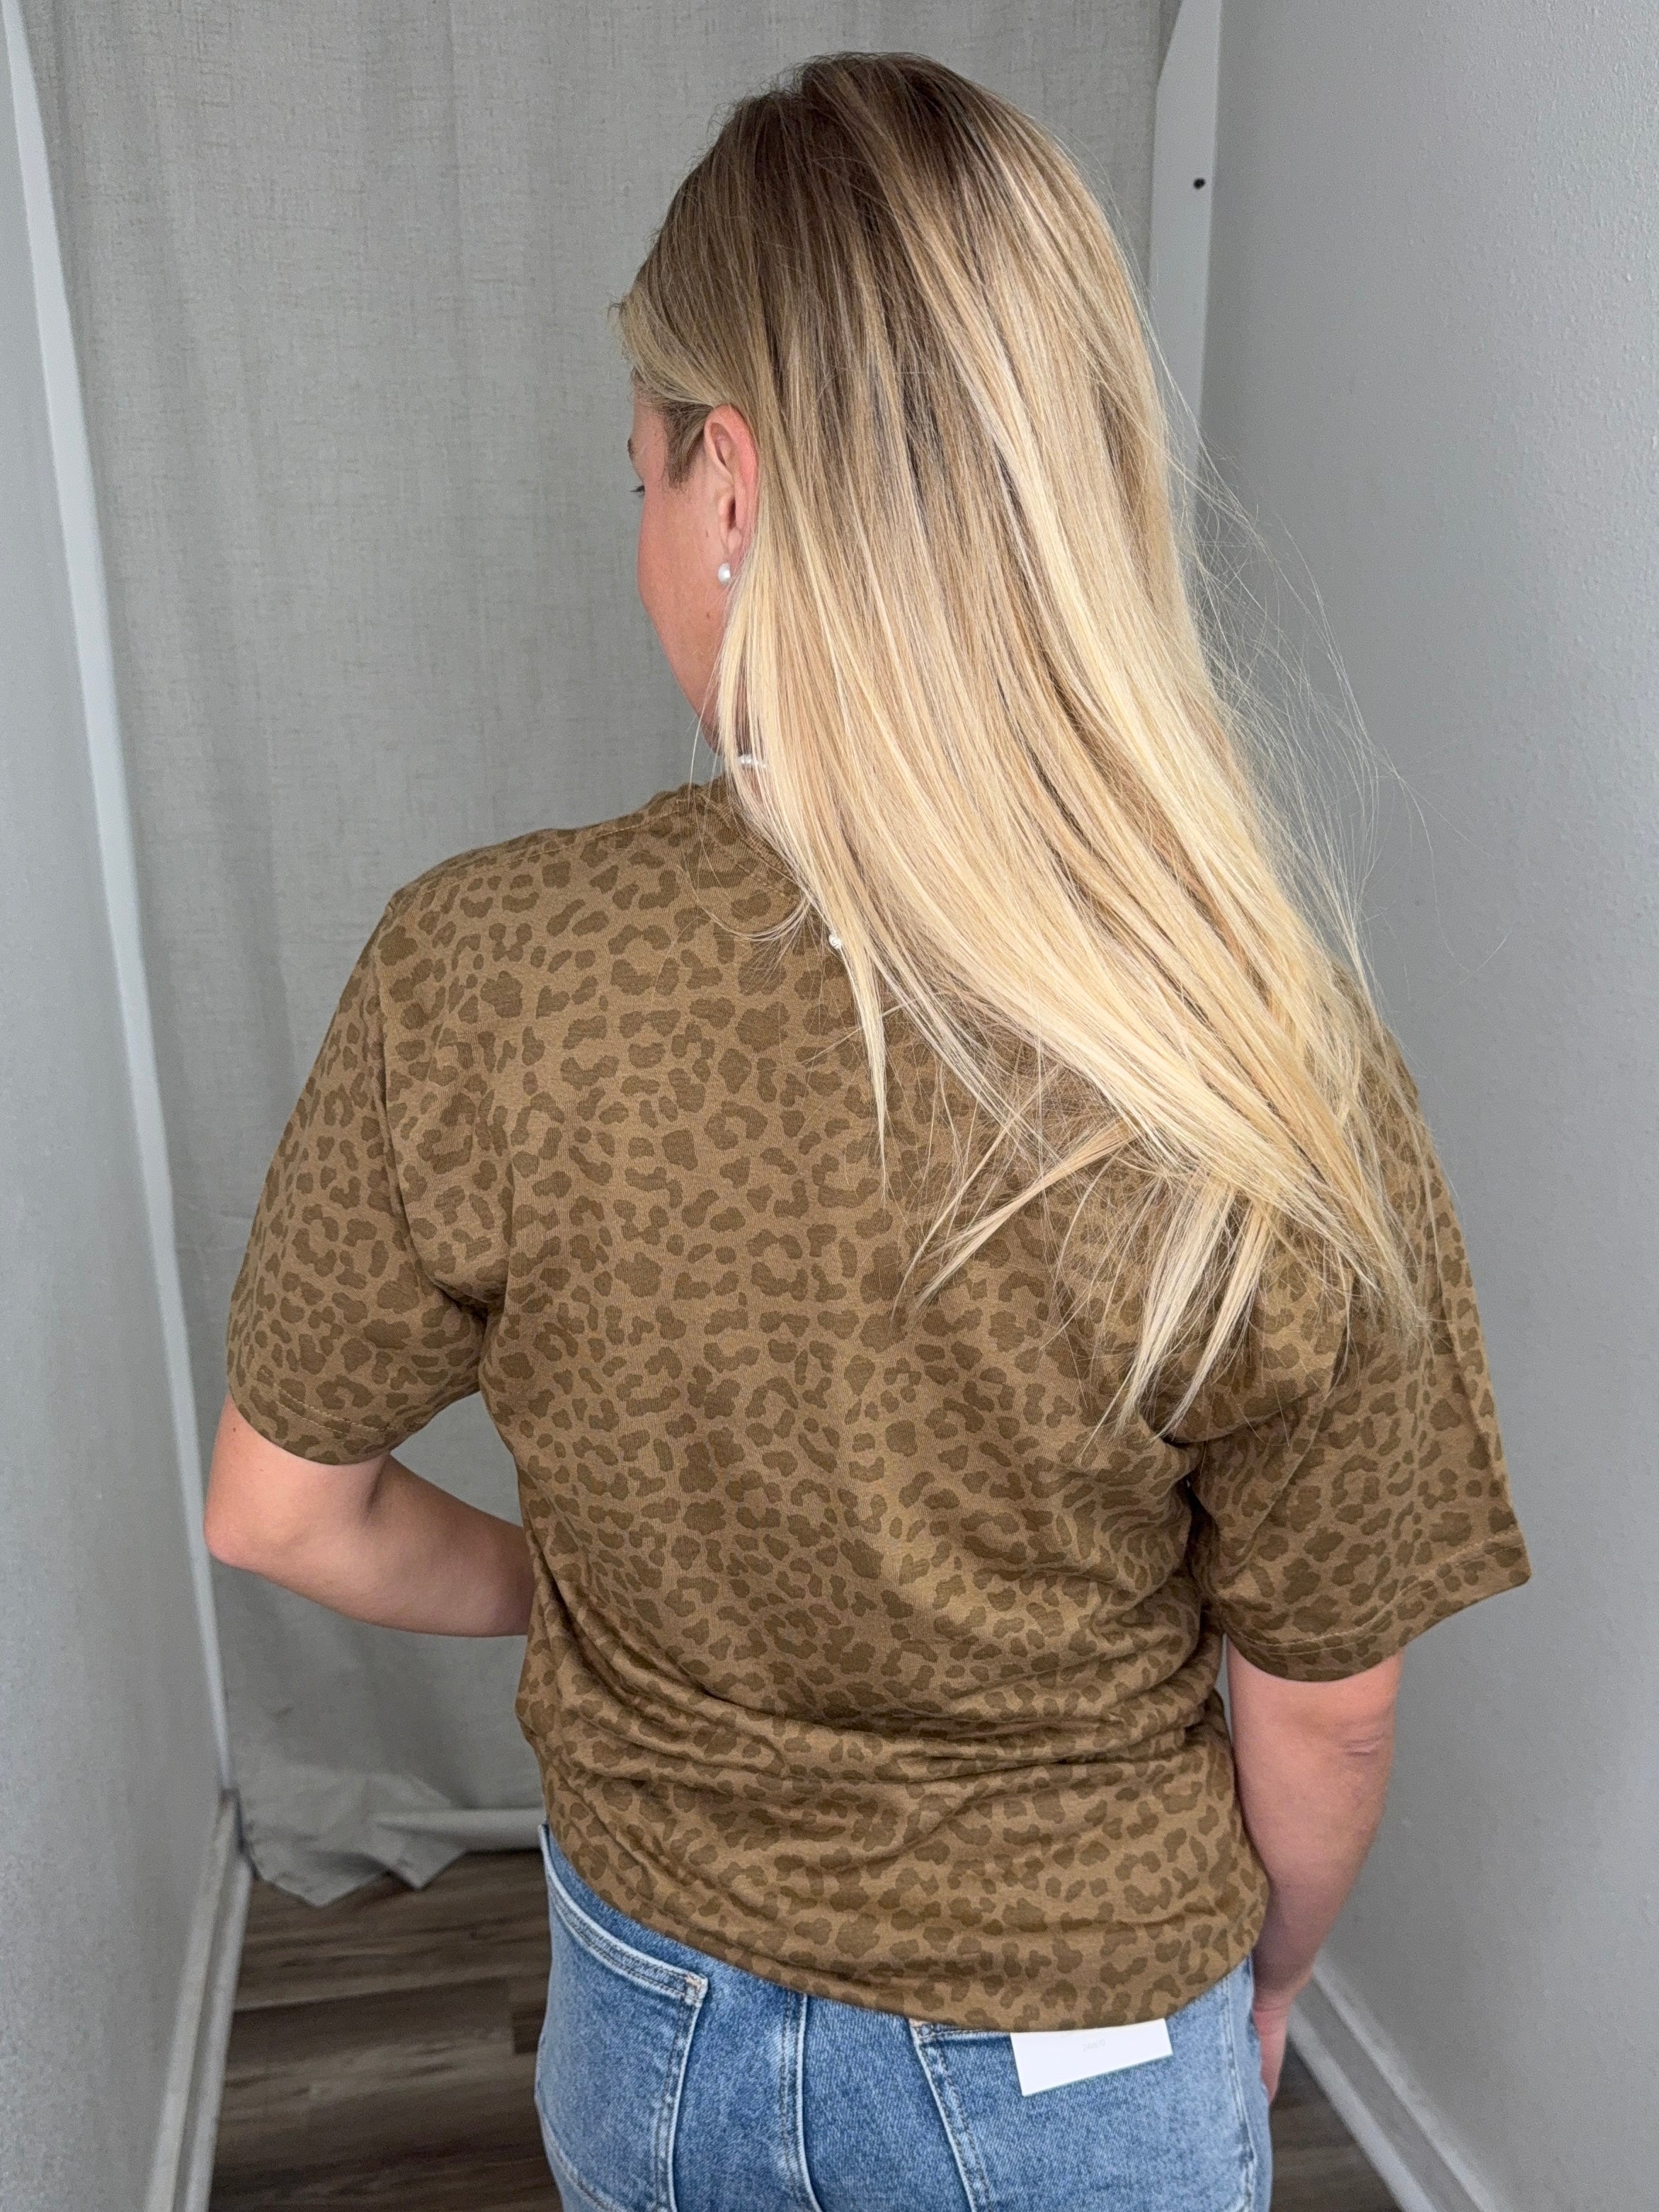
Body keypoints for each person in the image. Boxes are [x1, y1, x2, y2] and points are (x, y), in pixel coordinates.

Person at [205, 52, 1530, 2212]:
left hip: (653, 2014)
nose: (643, 524)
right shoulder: (1249, 1042)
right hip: (1090, 2048)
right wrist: (1269, 1977)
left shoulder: (484, 969)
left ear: (726, 485)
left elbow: (279, 1509)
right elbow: (1329, 1711)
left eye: (641, 471)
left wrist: (568, 1592)